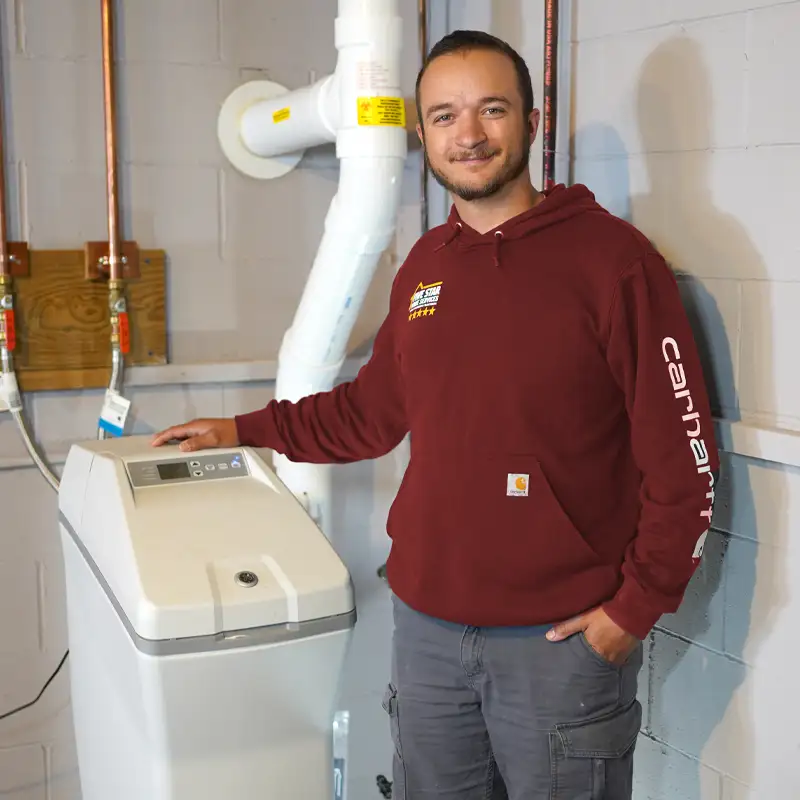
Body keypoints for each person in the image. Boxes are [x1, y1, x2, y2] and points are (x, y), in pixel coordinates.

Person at [153, 30, 719, 800]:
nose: (471, 134)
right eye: (446, 115)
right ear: (422, 134)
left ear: (532, 118)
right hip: (427, 635)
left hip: (557, 646)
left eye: (492, 109)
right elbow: (371, 413)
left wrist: (634, 608)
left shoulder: (613, 262)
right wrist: (244, 430)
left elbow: (682, 461)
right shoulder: (426, 266)